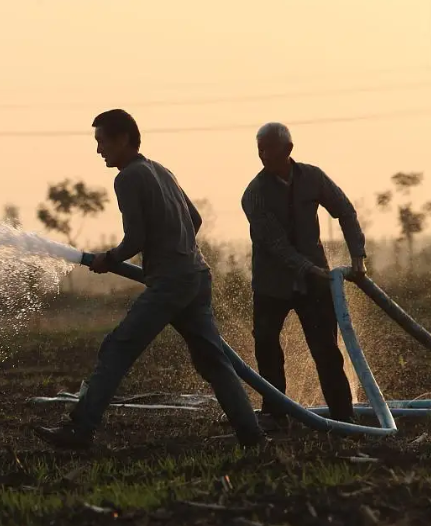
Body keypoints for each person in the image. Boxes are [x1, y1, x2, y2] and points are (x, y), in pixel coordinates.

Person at [34, 109, 267, 450]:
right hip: (196, 276)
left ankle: (80, 430)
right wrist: (175, 250)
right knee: (214, 362)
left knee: (118, 347)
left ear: (123, 139)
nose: (99, 151)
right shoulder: (161, 170)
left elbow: (135, 238)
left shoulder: (127, 177)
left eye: (102, 142)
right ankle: (253, 437)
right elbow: (195, 219)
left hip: (171, 283)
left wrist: (109, 258)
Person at [241, 122, 367, 431]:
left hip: (316, 283)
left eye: (268, 148)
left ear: (287, 150)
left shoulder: (312, 178)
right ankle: (275, 413)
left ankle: (342, 415)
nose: (263, 154)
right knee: (267, 346)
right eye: (259, 148)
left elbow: (345, 210)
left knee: (326, 348)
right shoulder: (254, 193)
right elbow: (276, 245)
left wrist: (358, 259)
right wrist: (312, 271)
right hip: (273, 285)